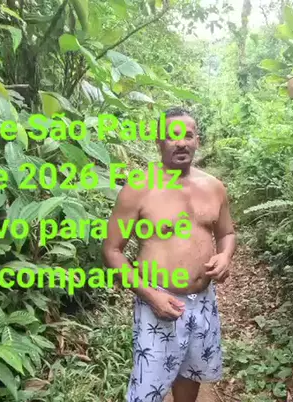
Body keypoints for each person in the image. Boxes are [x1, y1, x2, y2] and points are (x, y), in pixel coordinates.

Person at [102, 107, 236, 402]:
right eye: (172, 136)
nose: (181, 143)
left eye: (187, 135)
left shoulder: (214, 187)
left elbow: (227, 233)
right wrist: (150, 295)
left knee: (190, 375)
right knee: (146, 389)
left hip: (203, 302)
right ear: (159, 141)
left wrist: (225, 256)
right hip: (157, 302)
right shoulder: (138, 189)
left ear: (197, 140)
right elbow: (112, 250)